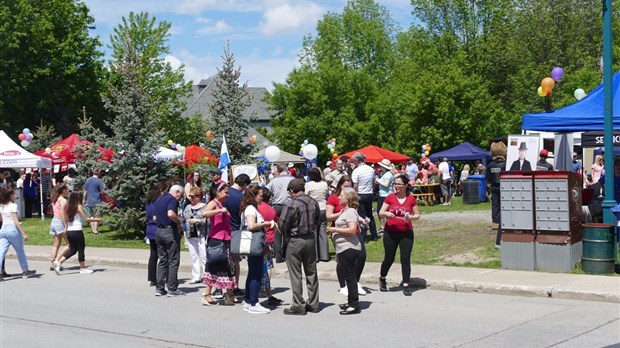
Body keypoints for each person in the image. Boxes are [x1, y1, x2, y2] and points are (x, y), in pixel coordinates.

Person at [279, 178, 321, 315]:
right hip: (310, 238)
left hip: (295, 240)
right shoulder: (314, 202)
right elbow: (317, 220)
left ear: (292, 191)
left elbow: (283, 225)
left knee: (295, 274)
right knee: (311, 272)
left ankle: (298, 304)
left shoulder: (291, 204)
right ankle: (314, 303)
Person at [378, 174, 421, 296]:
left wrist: (410, 217)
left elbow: (417, 215)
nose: (397, 186)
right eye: (395, 184)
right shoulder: (390, 198)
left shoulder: (410, 199)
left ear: (406, 185)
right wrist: (387, 213)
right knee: (389, 258)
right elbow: (380, 213)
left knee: (405, 258)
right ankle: (382, 278)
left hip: (406, 233)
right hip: (390, 232)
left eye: (399, 184)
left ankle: (406, 284)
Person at [326, 176, 367, 296]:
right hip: (339, 231)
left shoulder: (351, 198)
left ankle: (355, 282)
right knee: (342, 259)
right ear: (340, 186)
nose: (348, 188)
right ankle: (343, 285)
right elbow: (328, 216)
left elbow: (353, 214)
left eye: (350, 186)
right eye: (345, 186)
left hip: (354, 230)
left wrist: (361, 219)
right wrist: (340, 213)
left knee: (362, 255)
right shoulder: (335, 199)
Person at [201, 182, 240, 306]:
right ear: (218, 192)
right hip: (216, 240)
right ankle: (208, 294)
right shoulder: (214, 203)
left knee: (226, 266)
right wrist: (219, 210)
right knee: (217, 266)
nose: (228, 195)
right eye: (226, 192)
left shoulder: (221, 204)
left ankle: (229, 294)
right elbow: (204, 213)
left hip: (225, 239)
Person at [240, 185, 277, 314]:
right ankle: (254, 302)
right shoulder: (251, 209)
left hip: (255, 243)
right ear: (253, 196)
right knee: (256, 273)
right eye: (260, 195)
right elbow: (251, 225)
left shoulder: (251, 208)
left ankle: (249, 300)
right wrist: (266, 224)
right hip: (254, 243)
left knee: (253, 272)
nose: (262, 197)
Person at [326, 189, 362, 315]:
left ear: (348, 198)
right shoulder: (344, 212)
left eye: (341, 196)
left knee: (350, 277)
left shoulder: (351, 212)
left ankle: (354, 304)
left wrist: (334, 229)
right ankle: (351, 301)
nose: (339, 198)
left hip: (349, 248)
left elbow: (352, 230)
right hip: (343, 249)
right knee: (348, 276)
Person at [52, 191, 102, 274]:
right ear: (78, 198)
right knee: (81, 249)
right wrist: (97, 219)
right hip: (77, 230)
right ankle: (82, 268)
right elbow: (86, 219)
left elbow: (66, 217)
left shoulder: (68, 206)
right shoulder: (79, 207)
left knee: (73, 250)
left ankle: (58, 263)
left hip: (70, 231)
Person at [153, 184, 185, 297]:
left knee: (162, 260)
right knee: (173, 260)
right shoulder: (172, 200)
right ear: (177, 192)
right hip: (169, 232)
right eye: (180, 196)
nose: (180, 199)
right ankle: (172, 288)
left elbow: (155, 217)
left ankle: (160, 288)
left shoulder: (159, 199)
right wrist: (179, 222)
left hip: (159, 231)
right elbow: (171, 214)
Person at [223, 173, 251, 297]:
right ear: (244, 184)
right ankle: (235, 287)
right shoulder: (241, 197)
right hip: (234, 229)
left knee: (223, 259)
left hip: (221, 229)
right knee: (235, 261)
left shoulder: (224, 192)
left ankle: (221, 287)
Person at [0, 188, 36, 279]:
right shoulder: (13, 206)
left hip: (3, 229)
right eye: (14, 194)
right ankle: (25, 271)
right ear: (10, 196)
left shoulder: (1, 206)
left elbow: (1, 219)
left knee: (1, 252)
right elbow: (15, 220)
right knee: (20, 251)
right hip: (12, 230)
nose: (16, 196)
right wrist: (23, 233)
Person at [257, 188, 283, 306]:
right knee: (268, 264)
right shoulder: (272, 210)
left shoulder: (257, 208)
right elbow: (276, 224)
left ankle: (260, 286)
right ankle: (267, 286)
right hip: (270, 237)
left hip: (260, 238)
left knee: (257, 263)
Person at [182, 187, 208, 284]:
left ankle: (207, 276)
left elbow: (208, 220)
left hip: (201, 234)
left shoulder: (205, 206)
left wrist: (198, 220)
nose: (191, 199)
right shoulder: (188, 207)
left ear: (199, 196)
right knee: (193, 256)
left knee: (204, 256)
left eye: (193, 197)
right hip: (190, 234)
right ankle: (196, 276)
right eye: (190, 197)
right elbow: (184, 218)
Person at [351, 152, 378, 242]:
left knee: (362, 215)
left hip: (360, 194)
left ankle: (364, 236)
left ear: (357, 161)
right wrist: (372, 191)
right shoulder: (370, 169)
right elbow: (373, 182)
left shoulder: (356, 171)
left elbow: (355, 185)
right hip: (369, 193)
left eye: (354, 160)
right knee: (369, 214)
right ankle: (374, 234)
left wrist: (354, 195)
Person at [487, 140, 507, 246]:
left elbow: (488, 177)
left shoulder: (490, 165)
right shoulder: (505, 164)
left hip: (494, 187)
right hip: (503, 186)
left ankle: (495, 221)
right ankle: (502, 219)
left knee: (495, 204)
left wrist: (489, 185)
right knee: (503, 204)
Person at [49, 184, 69, 271]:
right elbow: (62, 213)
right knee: (70, 243)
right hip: (60, 222)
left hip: (54, 221)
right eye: (67, 189)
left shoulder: (55, 199)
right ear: (63, 190)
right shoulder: (63, 200)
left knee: (56, 245)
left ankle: (53, 262)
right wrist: (65, 225)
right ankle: (57, 261)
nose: (68, 191)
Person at [145, 184, 162, 286]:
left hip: (149, 228)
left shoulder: (148, 202)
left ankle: (152, 278)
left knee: (153, 254)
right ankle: (161, 277)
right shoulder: (158, 201)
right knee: (162, 255)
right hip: (157, 227)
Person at [83, 169, 105, 234]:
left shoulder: (88, 180)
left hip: (89, 201)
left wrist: (84, 199)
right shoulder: (99, 181)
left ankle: (93, 230)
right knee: (97, 217)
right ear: (99, 173)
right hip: (97, 201)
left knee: (91, 217)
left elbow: (85, 191)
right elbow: (102, 191)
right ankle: (96, 231)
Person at [376, 159, 394, 233]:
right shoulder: (387, 174)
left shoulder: (388, 174)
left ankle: (385, 227)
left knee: (381, 211)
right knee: (383, 211)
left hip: (385, 195)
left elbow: (386, 184)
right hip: (384, 194)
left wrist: (378, 180)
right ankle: (385, 226)